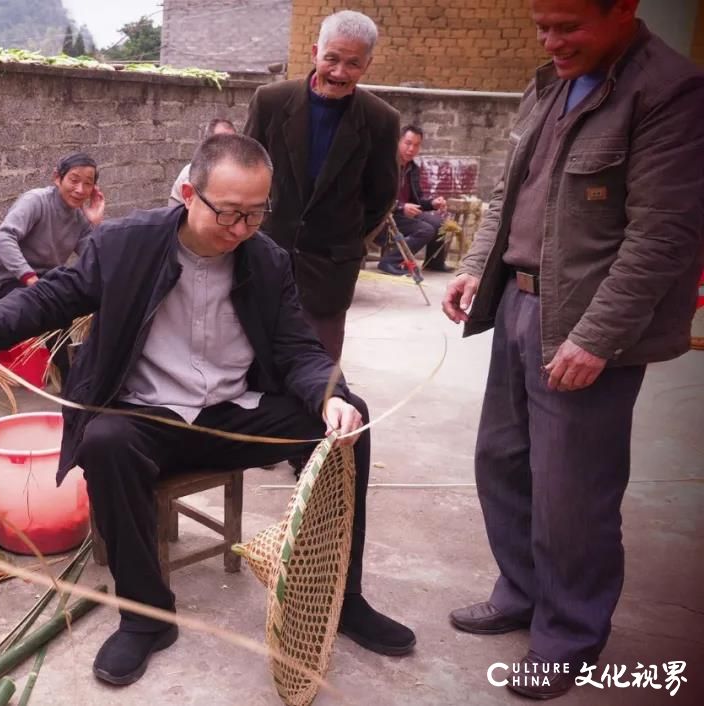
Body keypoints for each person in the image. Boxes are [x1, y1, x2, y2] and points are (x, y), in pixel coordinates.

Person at [0, 133, 416, 687]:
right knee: (106, 442)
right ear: (187, 192)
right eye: (227, 213)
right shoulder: (126, 245)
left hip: (232, 413)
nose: (239, 230)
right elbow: (52, 295)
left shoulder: (267, 260)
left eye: (255, 214)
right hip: (149, 417)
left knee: (351, 420)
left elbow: (297, 346)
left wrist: (333, 397)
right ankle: (147, 617)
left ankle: (341, 597)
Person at [442, 0, 704, 699]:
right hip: (519, 304)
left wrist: (596, 337)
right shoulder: (550, 82)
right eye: (541, 26)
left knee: (572, 496)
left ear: (624, 9)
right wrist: (474, 264)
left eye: (567, 27)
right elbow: (508, 192)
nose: (551, 41)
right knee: (503, 463)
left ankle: (568, 636)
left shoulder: (670, 91)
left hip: (586, 328)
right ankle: (520, 593)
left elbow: (662, 236)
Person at [245, 9, 399, 359]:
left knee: (318, 368)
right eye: (331, 58)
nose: (340, 72)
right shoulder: (271, 101)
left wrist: (347, 242)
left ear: (367, 65)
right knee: (252, 359)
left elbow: (382, 196)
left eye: (353, 64)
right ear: (315, 52)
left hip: (330, 272)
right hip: (264, 256)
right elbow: (245, 171)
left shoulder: (381, 120)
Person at [0, 152, 105, 304]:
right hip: (12, 283)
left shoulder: (80, 217)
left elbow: (95, 259)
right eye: (74, 180)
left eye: (87, 183)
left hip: (46, 285)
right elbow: (2, 238)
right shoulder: (36, 201)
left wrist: (96, 223)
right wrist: (30, 279)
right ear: (57, 178)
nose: (80, 190)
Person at [377, 124, 450, 275]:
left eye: (416, 145)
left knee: (440, 223)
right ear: (398, 141)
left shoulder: (413, 168)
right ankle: (389, 261)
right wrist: (401, 207)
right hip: (384, 216)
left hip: (402, 214)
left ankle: (434, 263)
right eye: (408, 143)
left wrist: (432, 203)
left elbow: (417, 201)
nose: (411, 149)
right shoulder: (385, 164)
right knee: (425, 229)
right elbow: (376, 196)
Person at [167, 118, 236, 207]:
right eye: (222, 141)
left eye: (233, 141)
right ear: (208, 144)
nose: (229, 147)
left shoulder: (239, 175)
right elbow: (175, 213)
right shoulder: (190, 175)